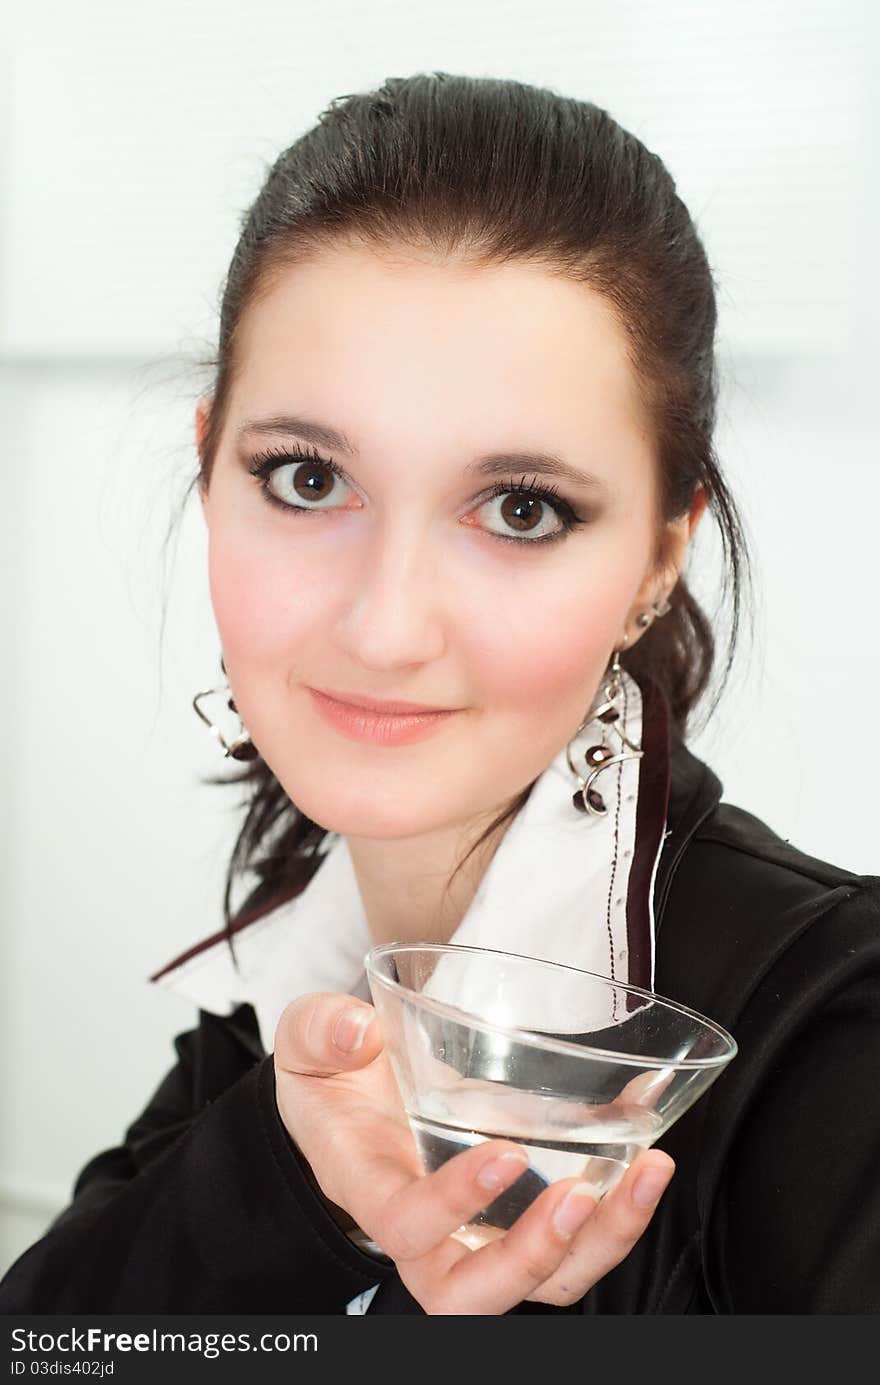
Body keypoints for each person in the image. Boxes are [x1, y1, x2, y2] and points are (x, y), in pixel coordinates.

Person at [1, 71, 878, 1317]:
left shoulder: (836, 1048)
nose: (383, 623)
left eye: (519, 509)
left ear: (658, 557)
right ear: (209, 472)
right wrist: (288, 1189)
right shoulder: (292, 990)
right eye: (307, 479)